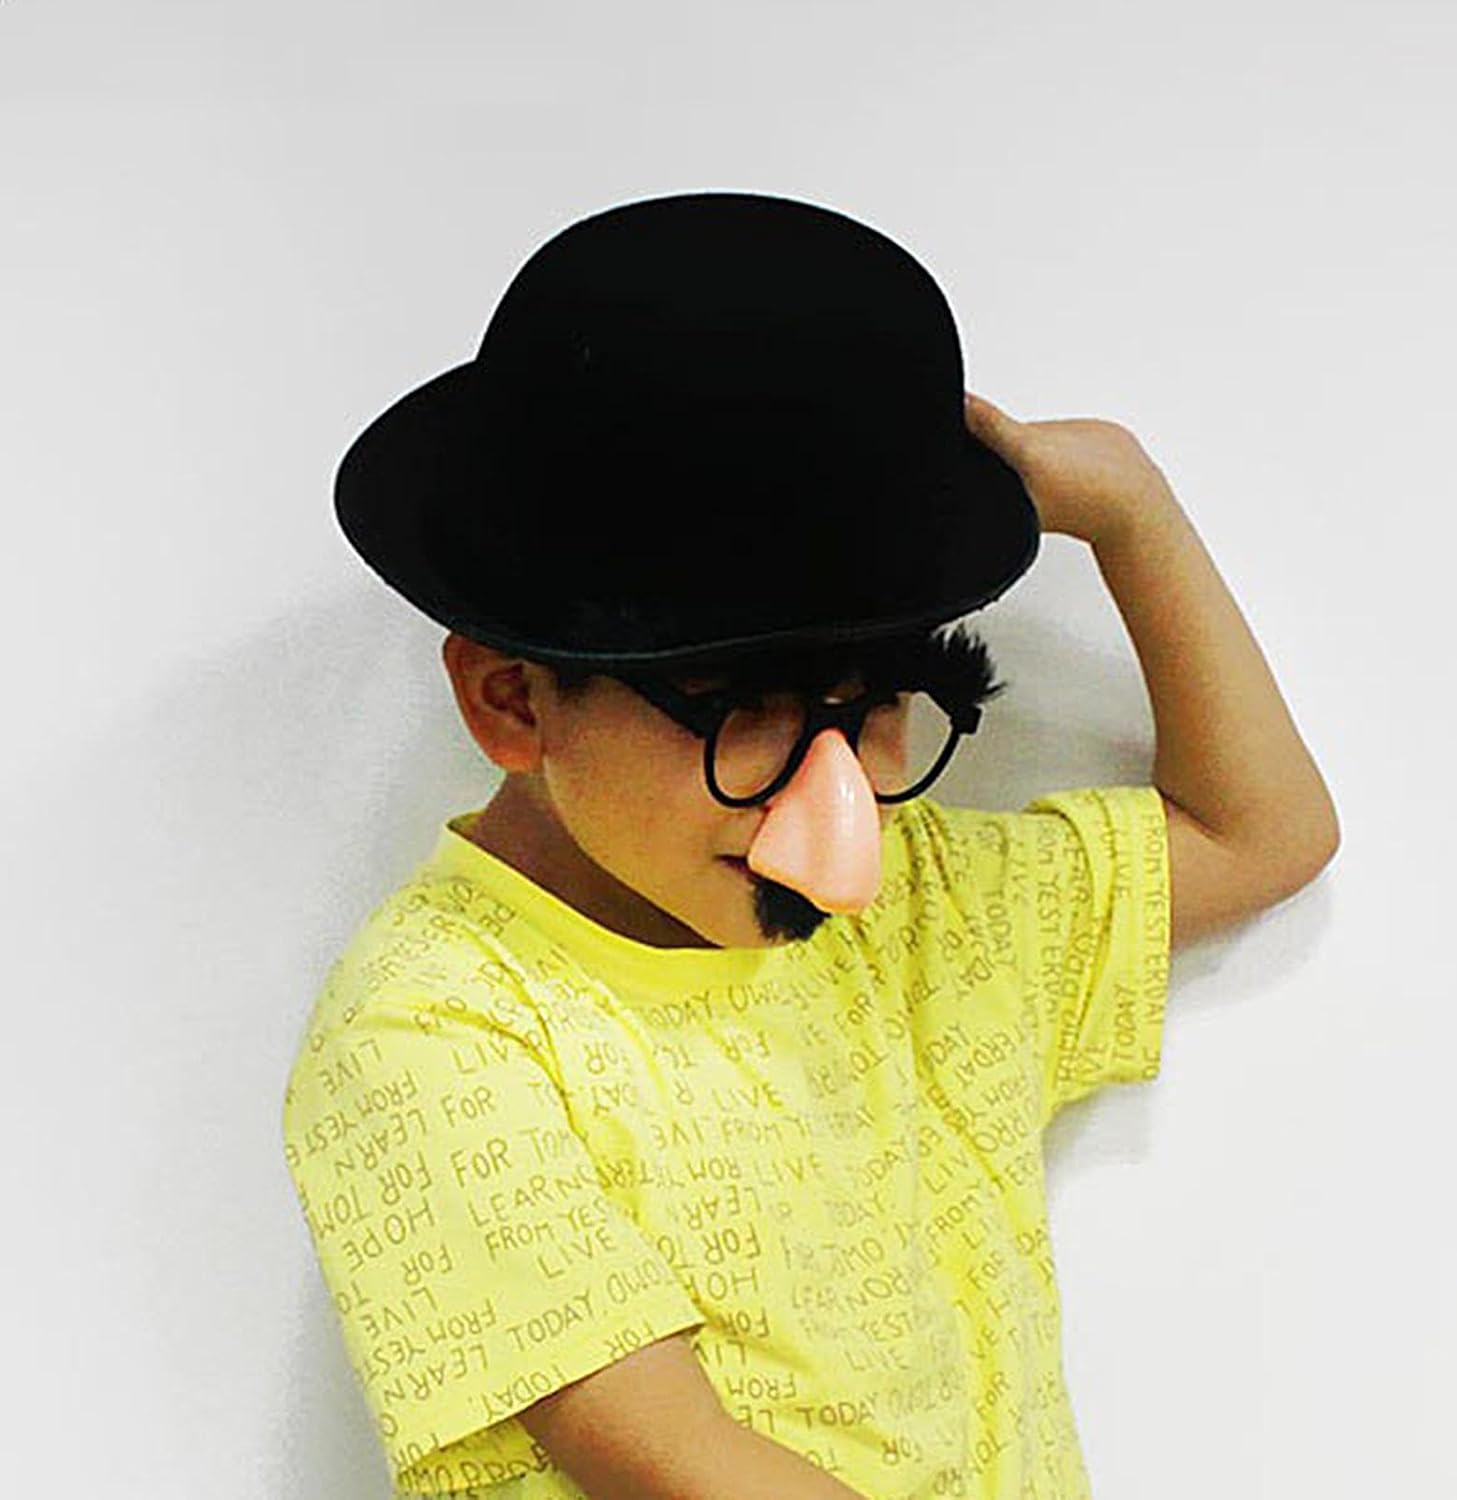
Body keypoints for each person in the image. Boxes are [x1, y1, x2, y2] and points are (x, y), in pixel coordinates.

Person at [280, 191, 1339, 1500]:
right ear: (512, 700)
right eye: (748, 711)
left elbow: (1262, 832)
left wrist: (1134, 512)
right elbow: (674, 1464)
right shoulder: (434, 1027)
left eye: (877, 705)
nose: (839, 809)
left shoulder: (924, 903)